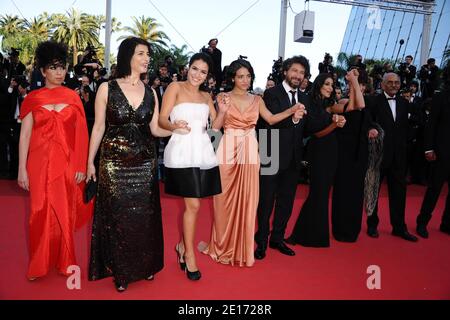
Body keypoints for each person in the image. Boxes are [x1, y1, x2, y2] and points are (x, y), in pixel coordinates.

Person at [87, 37, 171, 292]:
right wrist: (90, 161)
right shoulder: (106, 88)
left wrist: (176, 130)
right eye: (142, 54)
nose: (147, 59)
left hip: (145, 163)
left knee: (144, 217)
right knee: (118, 218)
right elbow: (99, 126)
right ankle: (121, 271)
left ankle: (145, 265)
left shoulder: (151, 91)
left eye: (148, 54)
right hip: (114, 163)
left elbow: (155, 128)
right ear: (128, 57)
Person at [201, 59, 305, 267]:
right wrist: (221, 111)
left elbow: (272, 119)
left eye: (248, 76)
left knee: (248, 201)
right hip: (228, 149)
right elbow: (215, 129)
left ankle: (242, 247)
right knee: (223, 200)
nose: (245, 80)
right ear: (232, 78)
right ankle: (222, 245)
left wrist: (291, 111)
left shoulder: (257, 100)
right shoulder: (223, 97)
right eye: (240, 76)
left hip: (249, 150)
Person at [17, 41, 92, 280]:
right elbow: (25, 135)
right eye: (54, 67)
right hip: (38, 163)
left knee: (65, 212)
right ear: (43, 71)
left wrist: (81, 165)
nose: (59, 72)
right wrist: (21, 169)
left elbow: (82, 133)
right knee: (38, 211)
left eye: (62, 67)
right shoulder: (32, 98)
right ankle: (38, 263)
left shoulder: (73, 97)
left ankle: (65, 261)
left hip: (68, 163)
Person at [158, 52, 229, 281]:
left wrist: (223, 111)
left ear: (208, 76)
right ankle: (189, 255)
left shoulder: (207, 96)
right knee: (194, 205)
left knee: (194, 205)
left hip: (203, 152)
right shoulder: (174, 88)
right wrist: (173, 125)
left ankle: (181, 246)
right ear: (188, 68)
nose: (197, 74)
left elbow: (215, 128)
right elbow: (161, 119)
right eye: (195, 69)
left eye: (203, 72)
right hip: (181, 152)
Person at [254, 55, 310, 260]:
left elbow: (307, 127)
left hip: (294, 156)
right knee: (266, 200)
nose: (298, 75)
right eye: (294, 71)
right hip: (270, 151)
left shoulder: (305, 97)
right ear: (285, 72)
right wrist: (292, 113)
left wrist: (334, 120)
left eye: (302, 72)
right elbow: (269, 122)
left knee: (286, 201)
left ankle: (277, 238)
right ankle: (261, 242)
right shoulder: (271, 93)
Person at [285, 73, 346, 248]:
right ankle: (302, 235)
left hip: (332, 150)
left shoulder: (328, 105)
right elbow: (316, 133)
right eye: (326, 84)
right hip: (318, 151)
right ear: (319, 85)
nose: (330, 88)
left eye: (332, 85)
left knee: (322, 193)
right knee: (317, 192)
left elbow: (354, 106)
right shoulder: (310, 104)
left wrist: (337, 119)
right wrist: (335, 124)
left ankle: (309, 235)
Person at [365, 73, 418, 242]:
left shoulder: (404, 103)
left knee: (399, 193)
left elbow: (410, 126)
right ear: (383, 84)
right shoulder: (373, 101)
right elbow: (367, 122)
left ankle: (399, 228)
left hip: (399, 156)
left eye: (397, 82)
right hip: (378, 155)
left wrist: (406, 143)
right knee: (373, 191)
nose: (394, 85)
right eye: (390, 82)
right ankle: (372, 225)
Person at [330, 69, 369, 242]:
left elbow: (362, 107)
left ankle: (353, 229)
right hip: (343, 150)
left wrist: (354, 81)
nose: (355, 87)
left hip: (360, 152)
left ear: (364, 86)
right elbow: (356, 106)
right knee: (342, 191)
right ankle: (340, 229)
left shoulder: (370, 102)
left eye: (360, 85)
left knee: (355, 193)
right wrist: (353, 80)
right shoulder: (344, 101)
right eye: (353, 84)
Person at [416, 61, 450, 238]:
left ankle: (447, 223)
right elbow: (431, 125)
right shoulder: (440, 97)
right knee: (434, 189)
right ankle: (422, 222)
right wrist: (428, 148)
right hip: (441, 151)